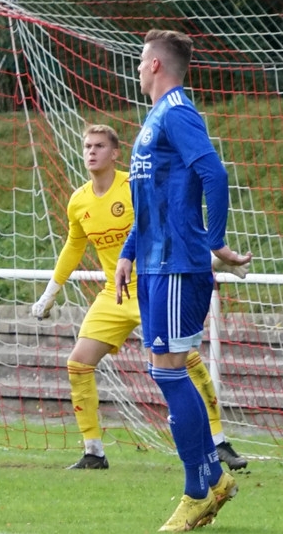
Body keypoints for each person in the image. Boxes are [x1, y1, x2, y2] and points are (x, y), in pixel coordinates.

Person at [32, 125, 249, 472]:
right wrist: (50, 291)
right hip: (113, 294)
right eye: (87, 145)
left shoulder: (133, 186)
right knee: (78, 363)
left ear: (115, 153)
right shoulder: (79, 200)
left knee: (187, 364)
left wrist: (203, 260)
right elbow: (74, 247)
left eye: (99, 146)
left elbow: (167, 226)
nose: (91, 152)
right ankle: (94, 452)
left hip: (153, 286)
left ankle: (219, 442)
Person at [114, 30, 251, 533]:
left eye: (139, 60)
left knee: (170, 371)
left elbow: (214, 174)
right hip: (153, 263)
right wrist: (129, 252)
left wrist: (214, 242)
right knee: (164, 371)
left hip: (177, 265)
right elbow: (154, 196)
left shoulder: (176, 111)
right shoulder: (154, 119)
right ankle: (208, 480)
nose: (136, 67)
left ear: (154, 65)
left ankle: (203, 487)